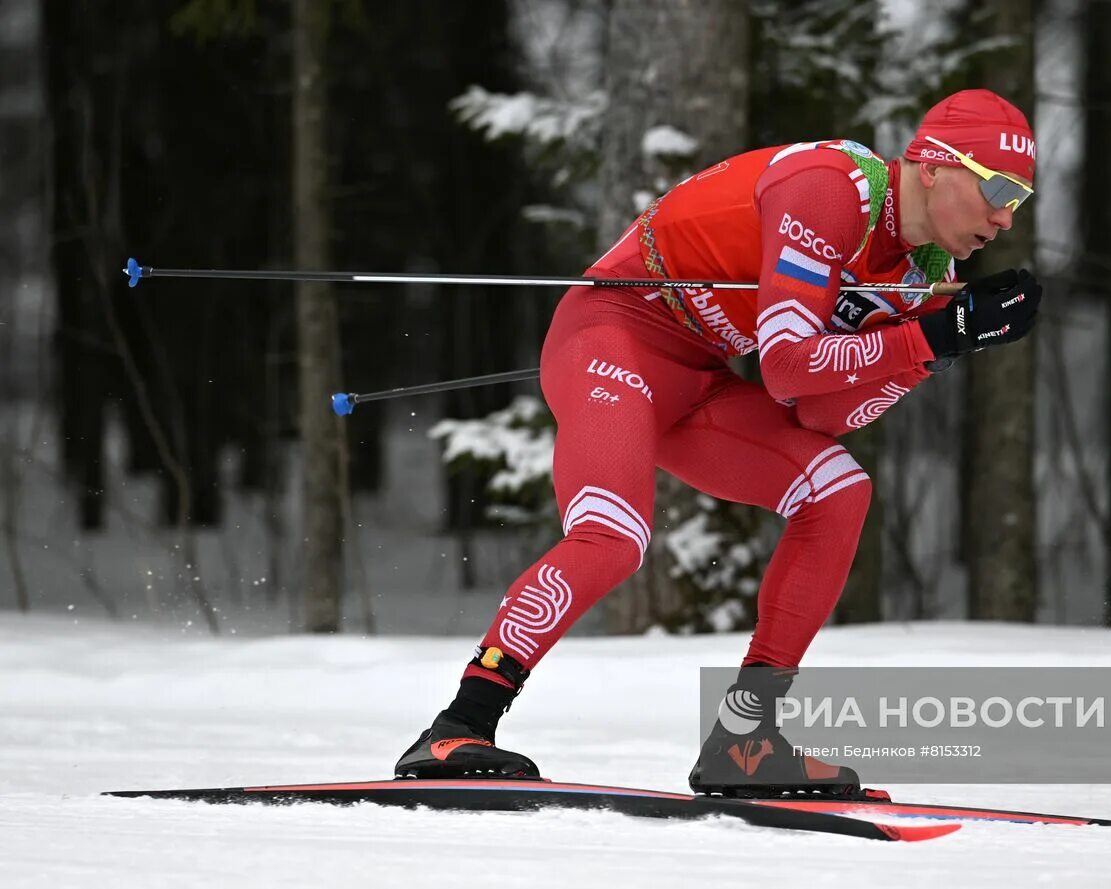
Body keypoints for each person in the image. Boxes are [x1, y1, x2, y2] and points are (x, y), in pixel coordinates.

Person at [396, 88, 1042, 798]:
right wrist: (932, 335)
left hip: (696, 378)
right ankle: (459, 724)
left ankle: (746, 737)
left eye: (1022, 197)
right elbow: (787, 364)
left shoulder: (925, 280)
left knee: (838, 490)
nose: (1006, 217)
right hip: (612, 332)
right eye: (999, 188)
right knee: (614, 535)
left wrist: (935, 347)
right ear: (932, 165)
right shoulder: (834, 188)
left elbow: (824, 416)